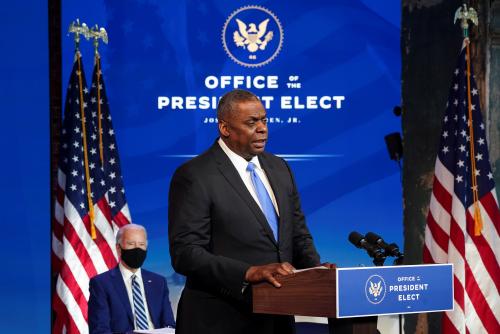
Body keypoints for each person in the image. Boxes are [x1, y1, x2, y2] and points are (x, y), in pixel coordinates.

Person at [168, 89, 326, 334]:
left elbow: (297, 234)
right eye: (251, 122)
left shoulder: (279, 168)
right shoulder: (195, 175)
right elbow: (186, 253)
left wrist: (318, 274)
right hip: (220, 319)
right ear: (225, 128)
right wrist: (248, 272)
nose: (262, 128)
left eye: (264, 120)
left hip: (277, 317)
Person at [88, 224, 175, 334]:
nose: (137, 249)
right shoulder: (101, 283)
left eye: (141, 244)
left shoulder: (158, 282)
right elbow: (99, 330)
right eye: (131, 244)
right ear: (119, 248)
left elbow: (170, 325)